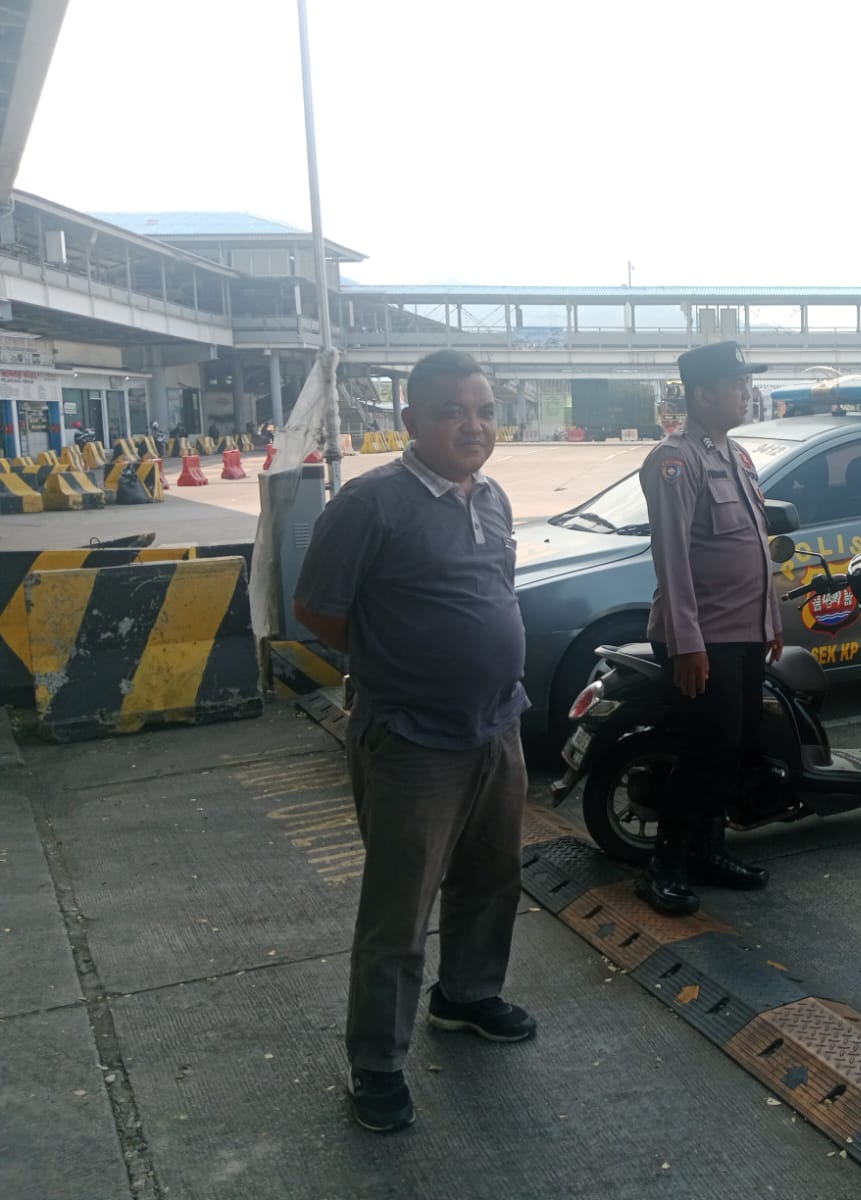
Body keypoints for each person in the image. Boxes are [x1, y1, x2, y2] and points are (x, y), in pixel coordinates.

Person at [292, 349, 535, 1133]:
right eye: (452, 411)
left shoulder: (491, 495)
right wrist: (395, 665)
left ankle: (466, 995)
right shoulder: (370, 504)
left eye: (485, 411)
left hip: (496, 724)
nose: (474, 426)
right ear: (411, 421)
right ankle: (376, 1062)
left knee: (491, 878)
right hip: (412, 738)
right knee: (399, 908)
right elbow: (316, 608)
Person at [637, 340, 782, 917]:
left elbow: (756, 546)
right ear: (702, 394)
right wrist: (686, 644)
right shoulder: (675, 461)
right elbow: (671, 559)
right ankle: (664, 865)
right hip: (703, 638)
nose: (747, 392)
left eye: (746, 382)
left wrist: (770, 621)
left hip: (743, 632)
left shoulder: (738, 456)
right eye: (737, 383)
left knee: (736, 743)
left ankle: (708, 851)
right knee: (705, 750)